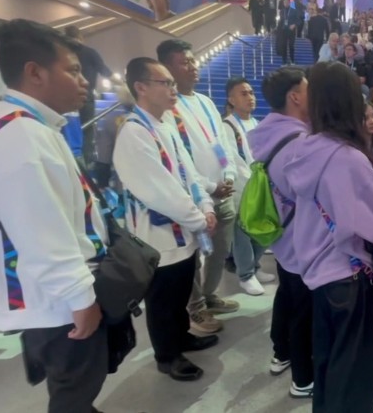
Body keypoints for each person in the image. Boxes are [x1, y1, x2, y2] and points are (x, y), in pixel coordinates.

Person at [0, 19, 108, 412]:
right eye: (74, 70)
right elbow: (40, 233)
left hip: (55, 295)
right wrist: (80, 297)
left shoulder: (29, 126)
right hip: (54, 301)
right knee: (73, 390)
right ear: (35, 72)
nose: (84, 81)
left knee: (76, 388)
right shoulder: (18, 137)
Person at [257, 61, 373, 411]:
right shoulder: (347, 158)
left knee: (329, 365)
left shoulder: (305, 148)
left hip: (319, 274)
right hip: (349, 273)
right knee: (354, 374)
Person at [114, 57, 218, 381]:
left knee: (180, 291)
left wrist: (206, 206)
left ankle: (182, 336)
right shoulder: (134, 133)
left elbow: (189, 174)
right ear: (141, 87)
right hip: (158, 237)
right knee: (163, 299)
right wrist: (198, 218)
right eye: (166, 83)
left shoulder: (165, 125)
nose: (173, 89)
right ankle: (167, 355)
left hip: (184, 230)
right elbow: (160, 191)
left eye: (173, 83)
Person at [157, 39, 239, 334]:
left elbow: (222, 143)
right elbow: (180, 161)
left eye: (193, 60)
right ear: (166, 68)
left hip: (221, 191)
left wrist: (228, 175)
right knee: (192, 255)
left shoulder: (204, 101)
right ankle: (195, 308)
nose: (193, 66)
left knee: (220, 249)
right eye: (184, 62)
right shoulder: (167, 108)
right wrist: (209, 187)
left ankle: (208, 294)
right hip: (193, 195)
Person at [247, 67, 315, 398]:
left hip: (281, 234)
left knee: (287, 296)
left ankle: (281, 353)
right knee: (304, 310)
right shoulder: (299, 143)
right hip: (302, 238)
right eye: (308, 89)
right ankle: (303, 379)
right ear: (295, 97)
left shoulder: (268, 132)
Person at [222, 77, 274, 296]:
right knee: (242, 232)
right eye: (243, 93)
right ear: (231, 99)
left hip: (261, 185)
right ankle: (245, 275)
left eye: (251, 93)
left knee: (263, 230)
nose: (250, 97)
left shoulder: (256, 124)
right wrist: (253, 182)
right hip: (243, 187)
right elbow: (232, 159)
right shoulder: (227, 126)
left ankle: (254, 266)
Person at [64, 25, 112, 165]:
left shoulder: (62, 53)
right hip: (85, 97)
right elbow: (105, 71)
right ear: (80, 37)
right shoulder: (89, 52)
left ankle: (71, 160)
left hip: (64, 98)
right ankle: (86, 162)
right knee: (87, 130)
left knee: (67, 129)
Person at [277, 0, 302, 65]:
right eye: (284, 2)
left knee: (291, 45)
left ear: (289, 2)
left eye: (287, 2)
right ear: (283, 3)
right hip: (283, 31)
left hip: (291, 31)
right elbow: (281, 21)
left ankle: (292, 60)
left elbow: (299, 20)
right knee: (283, 46)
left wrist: (294, 25)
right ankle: (284, 61)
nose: (286, 4)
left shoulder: (294, 11)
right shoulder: (282, 11)